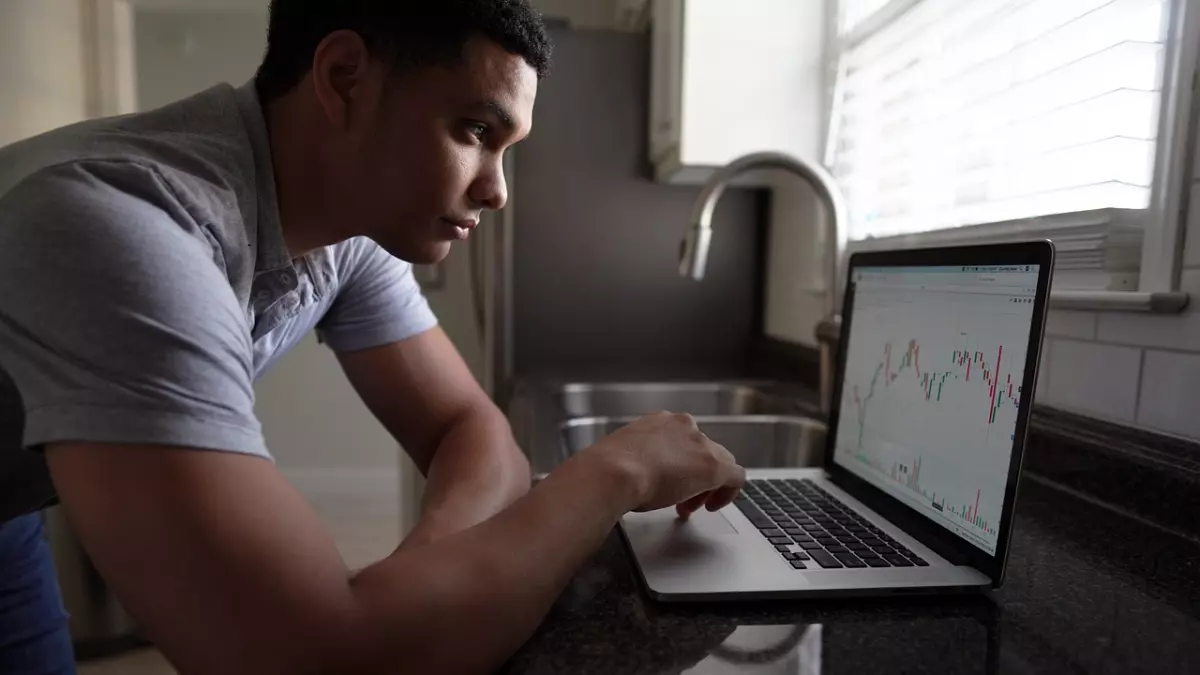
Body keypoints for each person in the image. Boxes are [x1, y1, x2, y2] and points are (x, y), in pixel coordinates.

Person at [0, 1, 746, 673]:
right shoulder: (117, 224)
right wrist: (615, 473)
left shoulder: (344, 236)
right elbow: (306, 659)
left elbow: (470, 426)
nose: (497, 189)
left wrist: (422, 575)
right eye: (475, 130)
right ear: (346, 77)